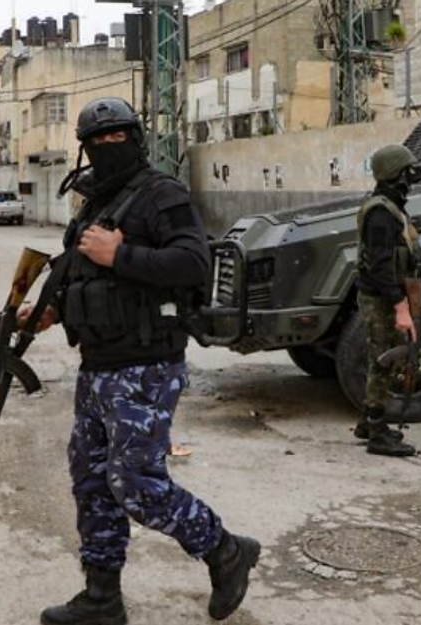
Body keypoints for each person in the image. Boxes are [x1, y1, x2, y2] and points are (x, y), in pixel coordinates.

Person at [23, 97, 259, 625]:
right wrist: (49, 312)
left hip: (147, 365)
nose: (110, 148)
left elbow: (194, 263)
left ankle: (226, 550)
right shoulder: (94, 205)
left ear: (136, 138)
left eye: (118, 138)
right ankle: (102, 598)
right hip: (98, 367)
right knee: (90, 479)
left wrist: (122, 254)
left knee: (136, 484)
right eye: (98, 141)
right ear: (84, 150)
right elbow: (84, 278)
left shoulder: (161, 195)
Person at [353, 144, 421, 458]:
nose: (412, 175)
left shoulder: (388, 206)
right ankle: (377, 435)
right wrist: (400, 306)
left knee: (380, 359)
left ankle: (368, 422)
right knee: (383, 361)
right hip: (380, 297)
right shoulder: (382, 213)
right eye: (408, 170)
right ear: (397, 174)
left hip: (381, 294)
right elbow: (380, 265)